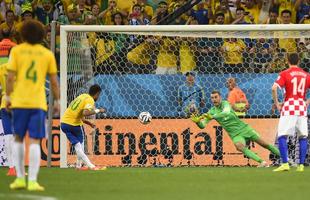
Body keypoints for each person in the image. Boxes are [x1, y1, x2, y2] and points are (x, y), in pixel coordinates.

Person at [6, 20, 60, 191]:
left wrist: (7, 97)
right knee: (35, 141)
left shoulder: (16, 51)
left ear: (22, 34)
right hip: (38, 103)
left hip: (19, 101)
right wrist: (58, 101)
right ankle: (33, 181)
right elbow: (53, 82)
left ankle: (20, 178)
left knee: (18, 138)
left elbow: (9, 77)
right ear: (42, 36)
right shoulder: (47, 54)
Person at [191, 90, 280, 167]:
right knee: (239, 146)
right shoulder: (211, 111)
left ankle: (287, 158)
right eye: (212, 98)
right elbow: (203, 126)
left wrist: (212, 116)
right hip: (235, 134)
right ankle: (262, 162)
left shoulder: (225, 104)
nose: (214, 100)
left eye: (216, 97)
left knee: (265, 144)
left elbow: (226, 112)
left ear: (220, 97)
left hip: (245, 129)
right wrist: (198, 122)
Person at [271, 53, 310, 172]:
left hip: (289, 106)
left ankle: (285, 163)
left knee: (282, 135)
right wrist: (307, 102)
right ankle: (301, 165)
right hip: (302, 106)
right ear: (299, 61)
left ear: (287, 61)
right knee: (303, 136)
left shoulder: (285, 73)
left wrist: (277, 103)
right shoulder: (306, 74)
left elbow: (274, 88)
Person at [61, 84, 106, 171]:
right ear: (97, 94)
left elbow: (78, 113)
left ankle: (78, 166)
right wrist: (98, 110)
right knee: (79, 147)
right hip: (75, 125)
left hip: (65, 124)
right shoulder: (90, 100)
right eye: (99, 95)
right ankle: (92, 166)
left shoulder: (82, 96)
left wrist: (88, 123)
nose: (98, 97)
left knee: (78, 147)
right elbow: (85, 112)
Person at [0, 61, 15, 176]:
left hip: (4, 105)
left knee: (8, 137)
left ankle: (11, 168)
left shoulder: (1, 68)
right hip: (17, 105)